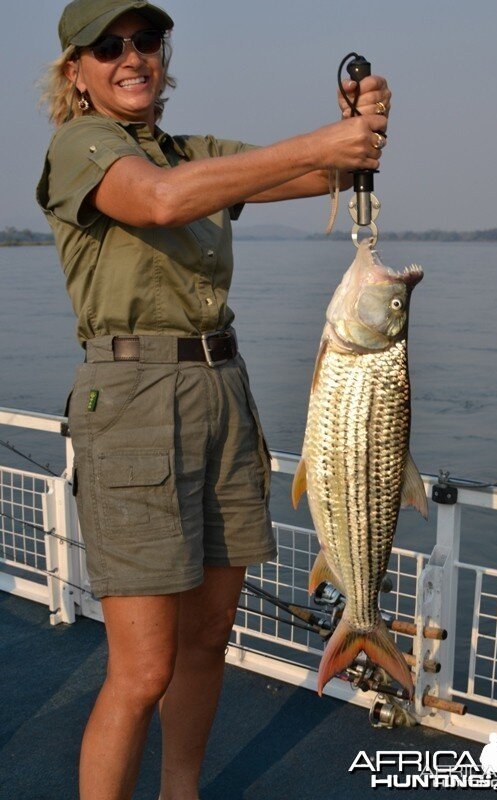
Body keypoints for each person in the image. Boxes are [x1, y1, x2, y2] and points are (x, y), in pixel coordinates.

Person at [36, 1, 391, 798]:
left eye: (146, 41)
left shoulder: (191, 152)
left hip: (222, 391)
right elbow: (159, 199)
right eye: (107, 46)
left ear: (164, 53)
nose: (132, 57)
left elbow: (316, 173)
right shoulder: (80, 146)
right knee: (142, 668)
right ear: (77, 72)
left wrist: (359, 131)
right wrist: (321, 143)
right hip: (131, 399)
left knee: (206, 642)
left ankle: (181, 793)